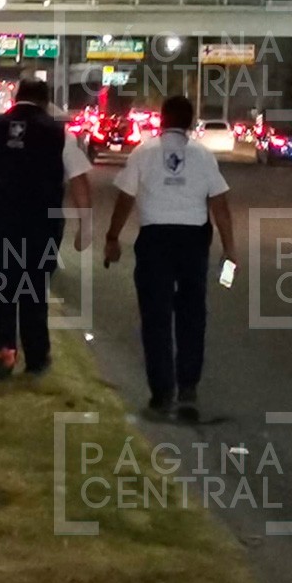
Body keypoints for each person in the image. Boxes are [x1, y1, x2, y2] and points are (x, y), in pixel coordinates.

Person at [104, 95, 236, 421]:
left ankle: (162, 393)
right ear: (190, 122)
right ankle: (188, 387)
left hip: (155, 241)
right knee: (192, 314)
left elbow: (125, 198)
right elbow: (220, 205)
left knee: (156, 317)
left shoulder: (143, 152)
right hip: (193, 242)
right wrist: (230, 249)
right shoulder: (203, 155)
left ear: (162, 119)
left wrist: (112, 237)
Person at [0, 79, 93, 379]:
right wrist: (85, 225)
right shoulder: (59, 133)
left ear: (16, 98)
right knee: (34, 291)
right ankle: (36, 359)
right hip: (41, 225)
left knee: (0, 291)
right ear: (44, 102)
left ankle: (2, 357)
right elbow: (80, 178)